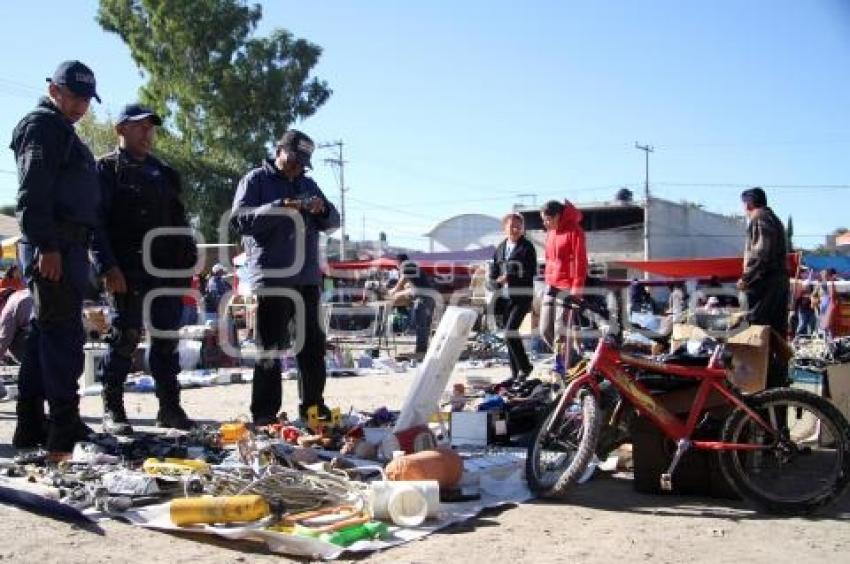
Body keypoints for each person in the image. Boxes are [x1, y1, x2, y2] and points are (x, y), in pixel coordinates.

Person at [10, 61, 102, 454]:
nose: (81, 106)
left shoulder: (62, 130)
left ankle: (32, 424)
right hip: (54, 244)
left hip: (67, 243)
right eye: (75, 96)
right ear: (55, 91)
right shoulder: (42, 127)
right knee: (63, 335)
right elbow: (31, 193)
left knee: (43, 336)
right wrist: (47, 246)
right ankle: (64, 425)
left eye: (85, 99)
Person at [92, 103, 198, 434]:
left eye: (151, 128)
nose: (147, 134)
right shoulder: (105, 170)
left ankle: (169, 407)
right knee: (125, 336)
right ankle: (114, 409)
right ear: (121, 129)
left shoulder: (164, 173)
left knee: (166, 340)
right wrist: (107, 266)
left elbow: (178, 222)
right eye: (140, 127)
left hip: (165, 270)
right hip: (127, 269)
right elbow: (95, 225)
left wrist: (187, 265)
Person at [231, 129, 340, 425]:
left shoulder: (308, 183)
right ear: (279, 150)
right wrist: (282, 207)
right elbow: (240, 220)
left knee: (313, 346)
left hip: (306, 277)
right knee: (270, 349)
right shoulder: (256, 180)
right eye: (293, 159)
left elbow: (334, 221)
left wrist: (323, 208)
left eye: (303, 163)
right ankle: (265, 414)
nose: (297, 167)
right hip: (273, 277)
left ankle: (313, 406)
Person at [736, 187, 790, 388]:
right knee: (775, 336)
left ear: (749, 203)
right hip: (776, 282)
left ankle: (761, 385)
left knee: (759, 333)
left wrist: (746, 278)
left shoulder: (759, 218)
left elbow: (761, 253)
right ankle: (776, 385)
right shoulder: (774, 219)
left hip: (765, 284)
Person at [488, 213, 537, 380]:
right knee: (509, 336)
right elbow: (493, 271)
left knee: (510, 332)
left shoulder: (527, 247)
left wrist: (510, 277)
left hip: (522, 297)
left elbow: (530, 272)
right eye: (512, 226)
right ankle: (515, 374)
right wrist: (494, 282)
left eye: (518, 226)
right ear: (505, 228)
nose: (515, 229)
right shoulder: (500, 247)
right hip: (505, 298)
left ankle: (526, 367)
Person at [538, 200, 588, 352]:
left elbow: (581, 262)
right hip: (551, 285)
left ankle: (561, 367)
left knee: (561, 331)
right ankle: (571, 360)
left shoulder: (575, 231)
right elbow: (548, 259)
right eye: (543, 220)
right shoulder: (550, 232)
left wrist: (577, 290)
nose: (545, 223)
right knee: (545, 330)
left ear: (558, 216)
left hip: (567, 287)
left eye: (548, 219)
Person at [387, 258, 436, 356]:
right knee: (426, 326)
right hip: (431, 297)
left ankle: (421, 351)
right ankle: (423, 349)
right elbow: (410, 287)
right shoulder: (416, 269)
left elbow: (398, 287)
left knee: (421, 326)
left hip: (423, 299)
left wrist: (390, 292)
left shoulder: (406, 269)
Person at [0, 288, 32, 363]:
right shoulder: (27, 292)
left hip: (40, 346)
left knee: (12, 336)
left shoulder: (11, 303)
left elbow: (4, 339)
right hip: (60, 341)